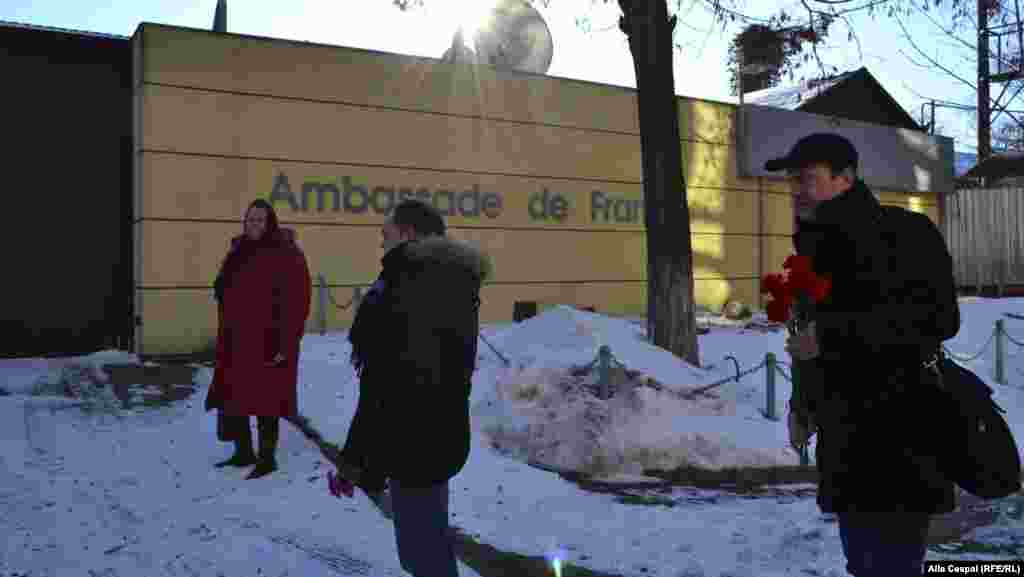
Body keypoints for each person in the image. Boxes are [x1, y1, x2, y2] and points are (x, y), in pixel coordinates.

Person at [766, 133, 961, 577]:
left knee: (895, 564)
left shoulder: (906, 233)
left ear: (846, 178)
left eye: (806, 178)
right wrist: (802, 405)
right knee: (862, 563)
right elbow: (807, 338)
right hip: (844, 434)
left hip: (901, 426)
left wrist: (830, 335)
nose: (795, 190)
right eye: (791, 180)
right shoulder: (811, 248)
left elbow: (939, 319)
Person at [336, 199, 490, 577]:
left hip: (413, 443)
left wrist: (354, 463)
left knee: (423, 555)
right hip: (438, 435)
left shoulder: (409, 284)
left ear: (407, 234)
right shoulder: (448, 280)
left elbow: (385, 386)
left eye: (385, 234)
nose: (382, 243)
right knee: (426, 545)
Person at [206, 199, 311, 480]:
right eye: (249, 219)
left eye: (259, 220)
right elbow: (226, 285)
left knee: (267, 400)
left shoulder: (286, 253)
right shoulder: (238, 250)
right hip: (236, 339)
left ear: (270, 222)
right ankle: (243, 452)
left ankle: (267, 459)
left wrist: (285, 343)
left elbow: (298, 301)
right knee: (235, 396)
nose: (253, 224)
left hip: (269, 341)